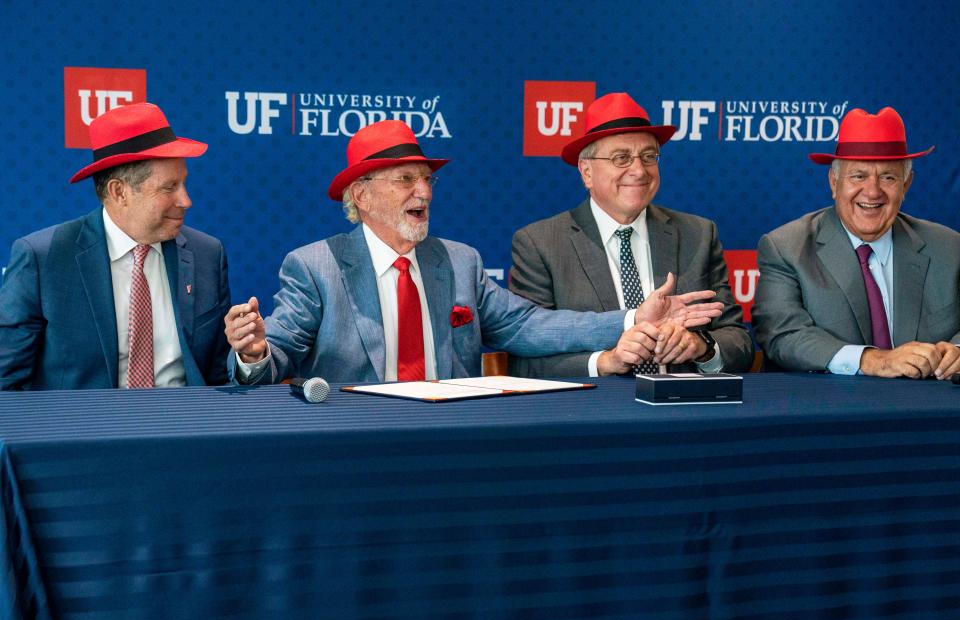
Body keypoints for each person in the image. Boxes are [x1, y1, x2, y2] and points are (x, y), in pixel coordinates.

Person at [225, 120, 724, 384]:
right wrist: (254, 354)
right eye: (405, 180)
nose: (423, 191)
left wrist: (631, 317)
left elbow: (529, 326)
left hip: (455, 432)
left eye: (427, 179)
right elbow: (279, 352)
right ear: (361, 194)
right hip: (356, 437)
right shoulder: (314, 266)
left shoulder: (458, 261)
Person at [509, 92, 753, 378]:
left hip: (684, 411)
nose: (639, 170)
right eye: (621, 158)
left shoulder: (697, 234)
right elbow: (525, 359)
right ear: (586, 172)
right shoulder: (541, 244)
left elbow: (739, 342)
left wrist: (702, 346)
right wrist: (605, 361)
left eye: (649, 156)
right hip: (591, 413)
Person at [0, 102, 232, 390]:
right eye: (169, 187)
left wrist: (249, 356)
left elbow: (222, 375)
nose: (186, 201)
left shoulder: (207, 254)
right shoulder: (43, 259)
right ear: (119, 192)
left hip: (183, 426)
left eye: (183, 183)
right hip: (79, 430)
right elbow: (5, 381)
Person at [753, 106, 960, 380]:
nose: (873, 191)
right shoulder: (786, 248)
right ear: (834, 181)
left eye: (888, 177)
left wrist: (957, 351)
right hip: (830, 413)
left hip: (930, 414)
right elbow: (782, 334)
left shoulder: (949, 247)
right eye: (858, 176)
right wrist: (873, 360)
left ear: (906, 184)